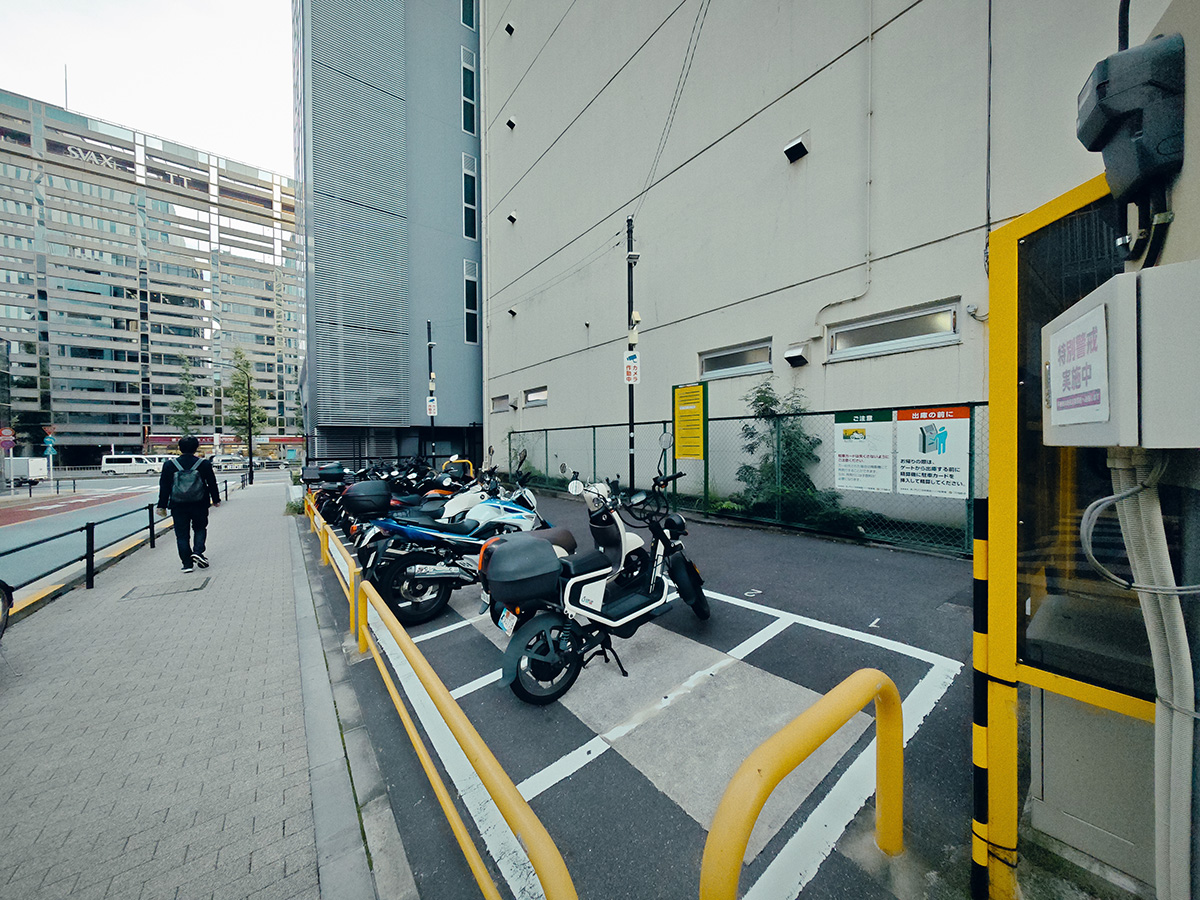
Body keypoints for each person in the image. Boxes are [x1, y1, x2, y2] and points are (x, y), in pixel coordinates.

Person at [156, 436, 221, 573]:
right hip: (199, 503)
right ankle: (198, 552)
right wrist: (216, 499)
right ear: (196, 448)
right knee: (200, 528)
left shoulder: (170, 465)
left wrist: (161, 505)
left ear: (179, 448)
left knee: (182, 534)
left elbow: (165, 487)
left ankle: (187, 564)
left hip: (178, 505)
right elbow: (211, 483)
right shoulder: (203, 464)